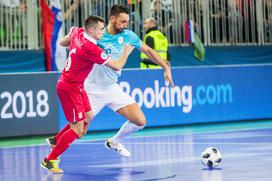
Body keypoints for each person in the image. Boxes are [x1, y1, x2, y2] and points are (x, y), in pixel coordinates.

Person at [46, 4, 174, 159]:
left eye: (127, 21)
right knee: (79, 131)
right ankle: (55, 143)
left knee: (140, 121)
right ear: (112, 19)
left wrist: (165, 68)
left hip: (111, 88)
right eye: (122, 21)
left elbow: (148, 51)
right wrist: (69, 37)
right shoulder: (97, 35)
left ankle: (114, 141)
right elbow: (72, 40)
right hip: (91, 88)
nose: (126, 25)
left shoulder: (128, 36)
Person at [41, 15, 134, 174]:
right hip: (69, 88)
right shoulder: (92, 49)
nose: (103, 31)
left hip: (78, 86)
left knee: (89, 117)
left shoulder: (78, 32)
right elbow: (117, 66)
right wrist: (126, 52)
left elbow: (63, 42)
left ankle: (55, 140)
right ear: (91, 30)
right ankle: (49, 160)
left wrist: (72, 43)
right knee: (78, 130)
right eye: (100, 29)